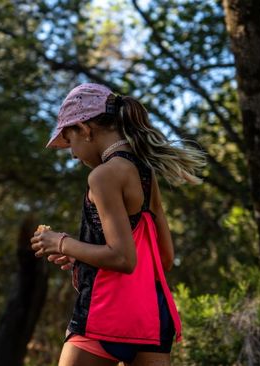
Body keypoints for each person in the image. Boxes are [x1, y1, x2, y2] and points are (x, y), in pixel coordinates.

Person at [30, 83, 205, 366]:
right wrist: (79, 257)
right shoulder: (146, 173)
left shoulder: (103, 176)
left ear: (85, 129)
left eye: (69, 140)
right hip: (153, 318)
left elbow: (123, 258)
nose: (73, 154)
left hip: (106, 316)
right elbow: (164, 259)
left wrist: (61, 242)